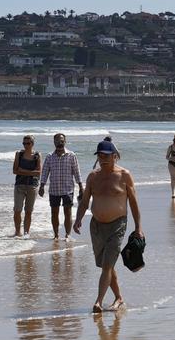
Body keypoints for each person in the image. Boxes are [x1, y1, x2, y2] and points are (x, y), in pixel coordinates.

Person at [74, 138, 142, 314]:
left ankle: (98, 302)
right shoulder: (93, 176)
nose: (102, 159)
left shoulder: (124, 175)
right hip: (96, 226)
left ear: (114, 156)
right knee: (107, 265)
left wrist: (138, 228)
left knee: (106, 266)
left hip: (117, 225)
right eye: (100, 155)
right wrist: (78, 218)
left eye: (106, 155)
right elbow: (85, 201)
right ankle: (119, 297)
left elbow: (134, 204)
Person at [39, 130, 83, 240]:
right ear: (54, 142)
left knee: (67, 212)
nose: (60, 142)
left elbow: (76, 171)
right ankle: (56, 235)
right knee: (54, 213)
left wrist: (81, 186)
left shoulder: (71, 155)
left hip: (68, 189)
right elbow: (45, 172)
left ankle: (68, 235)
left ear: (65, 142)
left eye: (62, 141)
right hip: (54, 190)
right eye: (57, 141)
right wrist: (42, 186)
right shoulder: (49, 156)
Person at [12, 134, 41, 236]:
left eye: (28, 143)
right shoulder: (19, 154)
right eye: (24, 143)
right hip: (19, 185)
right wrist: (31, 172)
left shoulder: (37, 155)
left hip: (32, 186)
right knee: (17, 210)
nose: (26, 145)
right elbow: (15, 171)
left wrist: (23, 171)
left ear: (32, 144)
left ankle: (26, 233)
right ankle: (17, 232)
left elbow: (38, 172)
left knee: (28, 211)